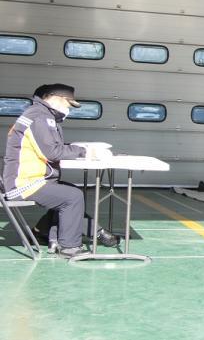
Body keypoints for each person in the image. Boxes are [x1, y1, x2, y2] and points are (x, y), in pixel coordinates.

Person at [2, 84, 118, 258]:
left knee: (68, 192)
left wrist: (77, 149)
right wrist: (85, 151)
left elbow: (50, 148)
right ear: (56, 98)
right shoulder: (40, 116)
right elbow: (52, 152)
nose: (68, 109)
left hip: (31, 180)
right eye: (68, 104)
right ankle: (69, 247)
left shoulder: (41, 115)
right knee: (72, 197)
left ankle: (44, 232)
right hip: (23, 184)